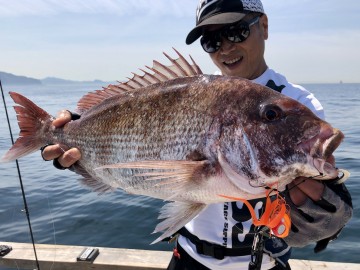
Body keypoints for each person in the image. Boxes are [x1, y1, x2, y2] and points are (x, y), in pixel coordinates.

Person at [42, 0, 352, 269]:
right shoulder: (193, 89)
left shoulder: (299, 103)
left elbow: (316, 183)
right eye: (211, 40)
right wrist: (76, 137)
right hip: (189, 259)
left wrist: (327, 212)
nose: (225, 48)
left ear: (264, 26)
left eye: (236, 31)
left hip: (264, 262)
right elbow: (119, 137)